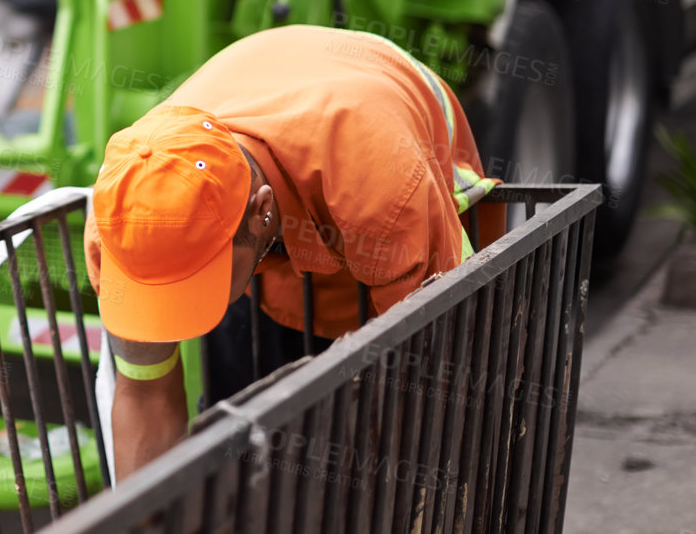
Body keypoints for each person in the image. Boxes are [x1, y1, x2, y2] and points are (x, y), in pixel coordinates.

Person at [85, 24, 505, 479]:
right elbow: (144, 397)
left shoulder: (380, 184)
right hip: (290, 215)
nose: (175, 307)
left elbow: (428, 387)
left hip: (382, 189)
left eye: (197, 276)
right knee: (244, 441)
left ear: (260, 209)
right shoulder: (127, 217)